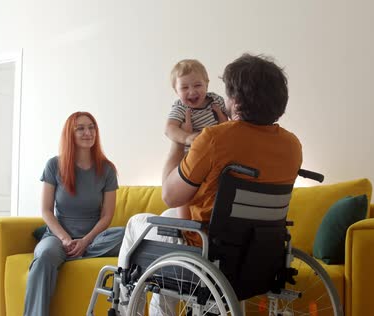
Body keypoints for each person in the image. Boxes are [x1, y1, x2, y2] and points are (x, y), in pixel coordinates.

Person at [117, 54, 302, 315]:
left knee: (137, 223)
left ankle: (124, 305)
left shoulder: (214, 139)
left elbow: (171, 195)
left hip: (205, 245)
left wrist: (177, 142)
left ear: (236, 100)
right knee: (167, 221)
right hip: (258, 253)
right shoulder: (292, 145)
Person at [24, 112, 124, 316]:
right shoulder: (54, 165)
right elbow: (45, 210)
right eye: (81, 128)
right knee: (45, 255)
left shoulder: (107, 169)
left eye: (92, 127)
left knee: (129, 234)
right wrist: (65, 239)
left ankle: (76, 253)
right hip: (59, 237)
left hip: (93, 239)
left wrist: (85, 241)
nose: (88, 132)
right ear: (70, 134)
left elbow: (107, 216)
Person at [165, 59, 228, 151]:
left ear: (206, 85)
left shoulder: (216, 100)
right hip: (194, 152)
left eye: (197, 85)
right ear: (176, 91)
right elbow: (169, 128)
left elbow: (229, 121)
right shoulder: (181, 107)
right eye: (184, 87)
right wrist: (186, 138)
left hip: (218, 148)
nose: (192, 91)